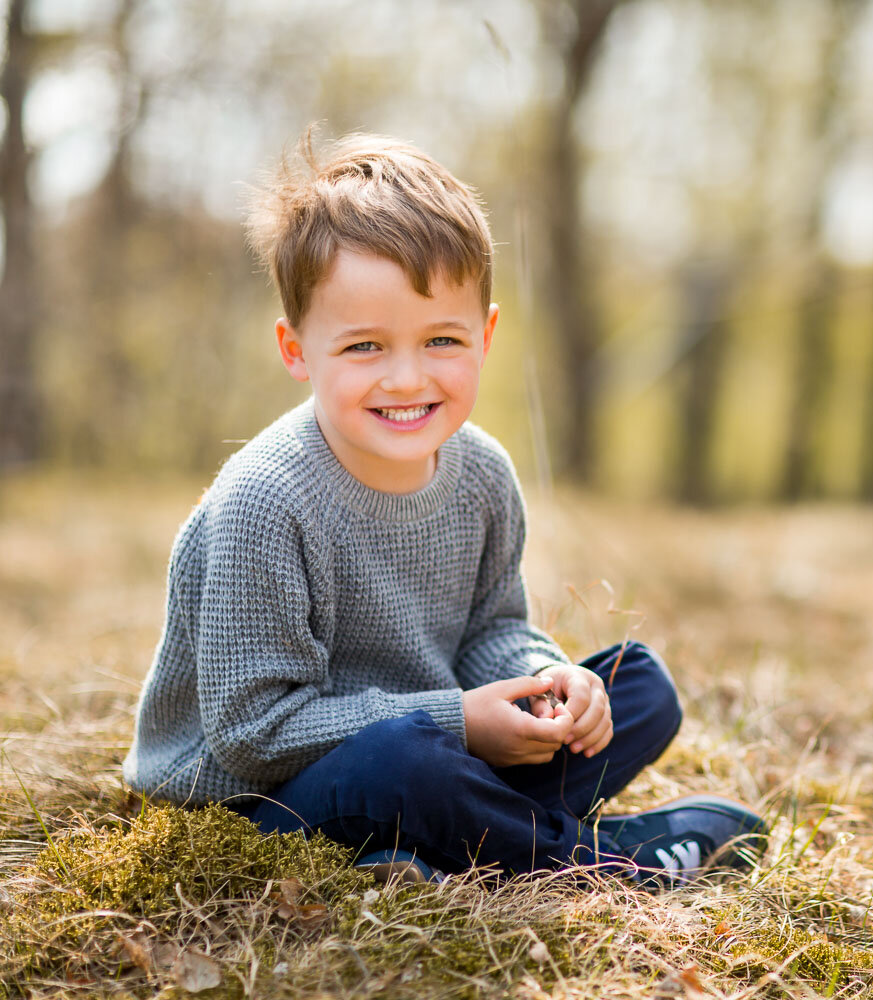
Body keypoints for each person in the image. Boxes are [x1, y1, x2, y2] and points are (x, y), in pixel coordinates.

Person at [121, 132, 765, 887]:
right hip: (258, 799)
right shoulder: (265, 502)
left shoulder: (482, 473)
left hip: (429, 746)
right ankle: (598, 860)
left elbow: (492, 630)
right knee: (409, 761)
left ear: (486, 336)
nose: (406, 377)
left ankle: (428, 847)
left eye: (442, 340)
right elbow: (255, 737)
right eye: (364, 346)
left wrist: (546, 681)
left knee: (640, 688)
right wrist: (461, 722)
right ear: (296, 349)